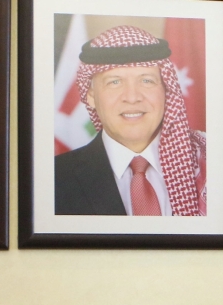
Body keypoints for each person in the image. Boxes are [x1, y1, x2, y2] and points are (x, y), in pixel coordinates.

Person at [55, 25, 207, 216]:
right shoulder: (54, 178)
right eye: (115, 82)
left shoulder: (211, 163)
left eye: (146, 81)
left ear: (166, 90)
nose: (132, 97)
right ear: (91, 96)